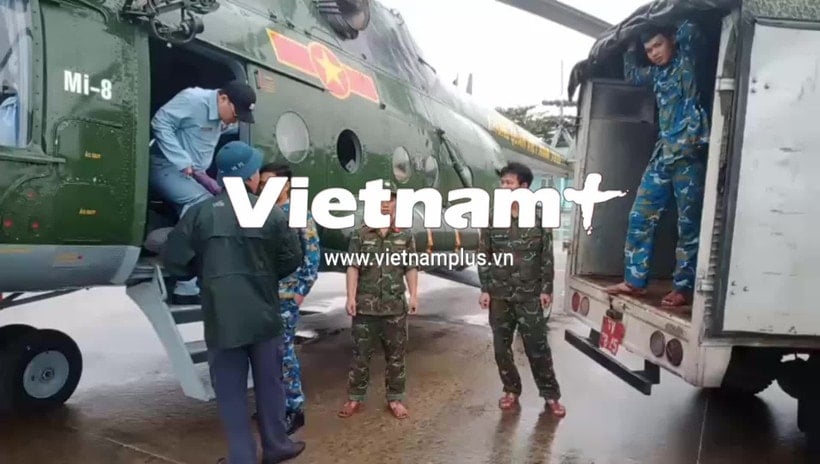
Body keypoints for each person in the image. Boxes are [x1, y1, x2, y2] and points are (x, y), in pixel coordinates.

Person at [162, 141, 306, 464]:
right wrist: (265, 275)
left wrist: (208, 272)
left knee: (230, 393)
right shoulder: (270, 212)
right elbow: (293, 258)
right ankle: (277, 446)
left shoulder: (199, 214)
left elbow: (174, 261)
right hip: (265, 315)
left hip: (222, 318)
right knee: (270, 384)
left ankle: (241, 456)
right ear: (249, 177)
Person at [605, 20, 710, 308]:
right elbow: (632, 77)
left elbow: (689, 29)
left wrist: (673, 16)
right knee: (640, 216)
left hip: (687, 154)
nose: (653, 53)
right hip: (663, 155)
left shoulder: (686, 63)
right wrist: (628, 45)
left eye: (658, 45)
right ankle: (634, 281)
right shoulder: (656, 74)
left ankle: (683, 288)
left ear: (672, 41)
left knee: (688, 226)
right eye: (648, 49)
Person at [149, 80, 257, 305]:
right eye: (236, 115)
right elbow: (160, 122)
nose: (235, 121)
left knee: (214, 203)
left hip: (191, 174)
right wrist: (182, 161)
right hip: (165, 165)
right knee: (202, 206)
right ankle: (185, 286)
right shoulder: (193, 99)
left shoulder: (223, 114)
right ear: (223, 99)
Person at [477, 162, 565, 418]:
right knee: (501, 348)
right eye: (502, 183)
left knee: (537, 347)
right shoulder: (492, 216)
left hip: (529, 295)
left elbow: (546, 255)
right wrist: (485, 288)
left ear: (524, 187)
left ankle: (551, 396)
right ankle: (511, 390)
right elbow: (484, 254)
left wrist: (546, 289)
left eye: (509, 183)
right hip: (500, 294)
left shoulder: (539, 217)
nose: (504, 187)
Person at [337, 179, 419, 420]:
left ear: (395, 203)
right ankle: (355, 397)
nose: (385, 204)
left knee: (396, 356)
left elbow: (411, 267)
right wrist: (350, 297)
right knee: (360, 355)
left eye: (389, 199)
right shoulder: (361, 234)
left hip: (395, 307)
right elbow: (352, 267)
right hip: (365, 306)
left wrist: (414, 295)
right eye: (380, 199)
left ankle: (395, 399)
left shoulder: (404, 235)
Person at [257, 163, 321, 434]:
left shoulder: (297, 214)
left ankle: (294, 409)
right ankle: (273, 406)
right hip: (263, 295)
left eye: (270, 182)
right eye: (261, 183)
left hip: (286, 295)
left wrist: (300, 291)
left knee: (283, 354)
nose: (263, 188)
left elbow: (312, 255)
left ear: (287, 185)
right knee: (265, 354)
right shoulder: (262, 213)